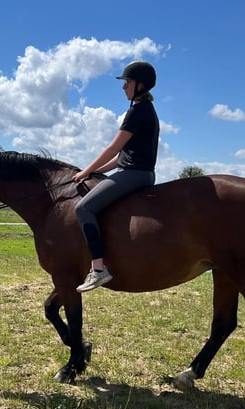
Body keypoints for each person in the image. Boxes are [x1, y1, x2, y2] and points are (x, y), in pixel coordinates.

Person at [72, 61, 160, 292]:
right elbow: (121, 157)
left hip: (133, 174)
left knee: (83, 209)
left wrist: (85, 171)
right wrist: (94, 172)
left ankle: (99, 269)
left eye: (127, 82)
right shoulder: (146, 110)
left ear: (140, 85)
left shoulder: (137, 111)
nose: (124, 87)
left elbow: (113, 148)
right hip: (137, 172)